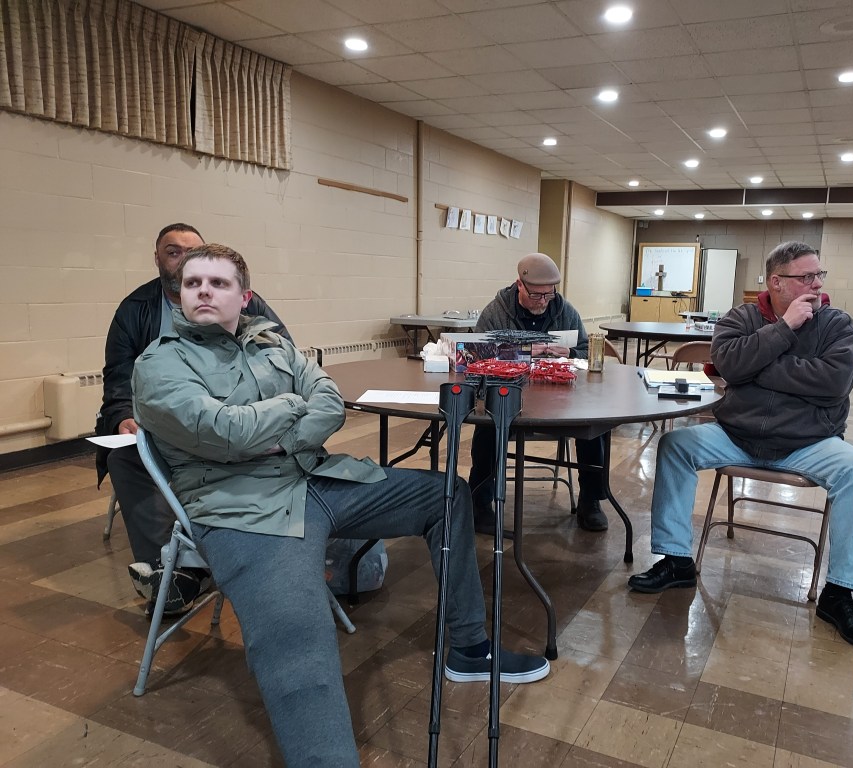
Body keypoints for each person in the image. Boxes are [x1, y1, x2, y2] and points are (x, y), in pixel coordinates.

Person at [132, 244, 549, 765]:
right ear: (180, 294)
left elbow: (329, 402)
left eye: (218, 283)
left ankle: (468, 648)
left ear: (245, 296)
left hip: (317, 478)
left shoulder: (273, 344)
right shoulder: (160, 363)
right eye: (193, 283)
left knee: (447, 495)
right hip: (242, 509)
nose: (203, 292)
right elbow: (222, 431)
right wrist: (291, 406)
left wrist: (278, 437)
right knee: (297, 637)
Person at [627, 241, 853, 650]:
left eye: (819, 275)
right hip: (737, 436)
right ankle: (675, 560)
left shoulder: (837, 325)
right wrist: (783, 331)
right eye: (806, 277)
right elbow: (728, 364)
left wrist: (756, 368)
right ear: (777, 282)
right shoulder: (741, 318)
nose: (817, 284)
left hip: (808, 441)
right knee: (675, 445)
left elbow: (833, 384)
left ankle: (840, 593)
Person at [95, 223, 289, 615]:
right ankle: (172, 572)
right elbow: (118, 378)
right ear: (157, 260)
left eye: (195, 252)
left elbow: (283, 355)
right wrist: (123, 417)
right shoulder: (135, 310)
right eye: (174, 252)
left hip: (234, 421)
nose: (185, 261)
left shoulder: (244, 302)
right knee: (127, 458)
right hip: (168, 425)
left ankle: (203, 560)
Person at [470, 252, 610, 533]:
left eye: (549, 294)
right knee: (487, 426)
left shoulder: (565, 311)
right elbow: (476, 354)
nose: (544, 301)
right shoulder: (495, 312)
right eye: (536, 295)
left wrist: (569, 352)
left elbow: (586, 350)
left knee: (594, 424)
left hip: (558, 398)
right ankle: (479, 502)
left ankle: (591, 500)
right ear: (519, 285)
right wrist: (520, 352)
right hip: (510, 396)